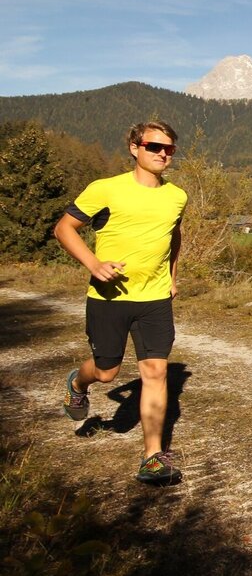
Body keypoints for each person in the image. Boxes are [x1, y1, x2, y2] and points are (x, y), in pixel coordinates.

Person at [55, 121, 188, 485]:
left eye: (169, 149)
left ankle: (152, 457)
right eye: (154, 146)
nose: (162, 154)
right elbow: (64, 228)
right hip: (108, 298)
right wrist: (93, 264)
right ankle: (78, 385)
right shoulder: (105, 189)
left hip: (154, 299)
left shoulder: (176, 196)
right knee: (106, 372)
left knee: (156, 373)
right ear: (134, 148)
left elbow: (173, 237)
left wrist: (172, 277)